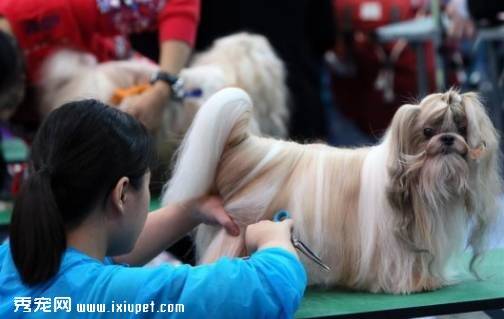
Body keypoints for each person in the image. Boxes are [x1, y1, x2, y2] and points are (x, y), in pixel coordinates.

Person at [0, 99, 307, 318]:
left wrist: (188, 211)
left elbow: (102, 258)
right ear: (122, 193)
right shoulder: (112, 300)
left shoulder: (16, 256)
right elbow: (266, 287)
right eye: (147, 185)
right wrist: (275, 242)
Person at [0, 0, 199, 131]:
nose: (5, 116)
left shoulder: (52, 10)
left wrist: (162, 88)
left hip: (139, 100)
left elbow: (174, 3)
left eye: (5, 106)